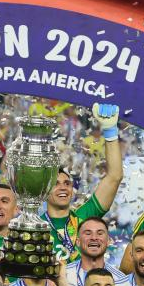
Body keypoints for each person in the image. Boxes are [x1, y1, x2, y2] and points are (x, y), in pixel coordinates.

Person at [42, 103, 123, 261]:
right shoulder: (36, 227)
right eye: (55, 184)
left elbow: (115, 176)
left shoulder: (84, 217)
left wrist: (110, 131)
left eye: (67, 184)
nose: (63, 187)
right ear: (44, 191)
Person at [63, 216, 128, 286]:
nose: (94, 238)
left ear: (108, 241)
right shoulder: (63, 277)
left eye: (100, 233)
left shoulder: (121, 280)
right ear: (78, 242)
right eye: (88, 233)